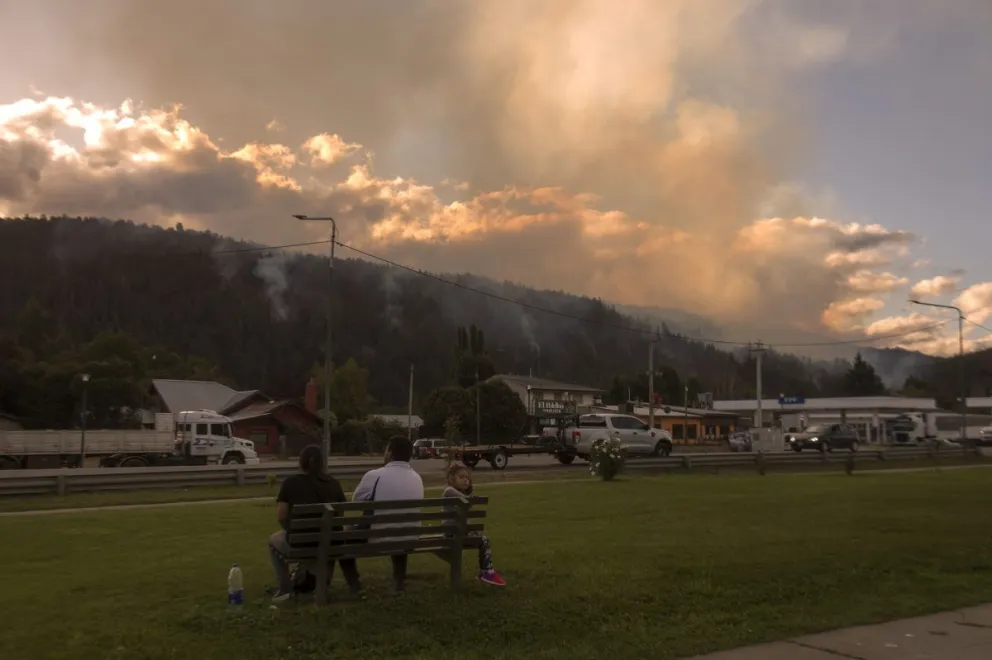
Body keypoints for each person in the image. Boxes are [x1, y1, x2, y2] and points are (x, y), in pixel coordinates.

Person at [268, 444, 360, 602]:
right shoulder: (334, 484)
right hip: (331, 543)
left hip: (302, 543)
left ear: (301, 462)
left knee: (273, 541)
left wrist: (292, 531)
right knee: (332, 536)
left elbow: (281, 516)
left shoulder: (291, 483)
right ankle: (321, 580)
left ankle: (285, 588)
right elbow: (340, 514)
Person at [351, 435, 424, 593]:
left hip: (381, 538)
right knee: (399, 526)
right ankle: (399, 581)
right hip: (411, 537)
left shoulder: (374, 475)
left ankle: (353, 583)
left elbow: (356, 501)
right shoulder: (417, 478)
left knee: (344, 535)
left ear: (389, 452)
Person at [442, 462, 507, 586]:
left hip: (457, 534)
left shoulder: (456, 493)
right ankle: (487, 572)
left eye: (467, 478)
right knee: (483, 540)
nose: (466, 480)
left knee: (483, 539)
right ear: (451, 479)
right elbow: (467, 502)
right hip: (452, 535)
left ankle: (485, 571)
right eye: (461, 477)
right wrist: (472, 495)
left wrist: (470, 492)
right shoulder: (449, 490)